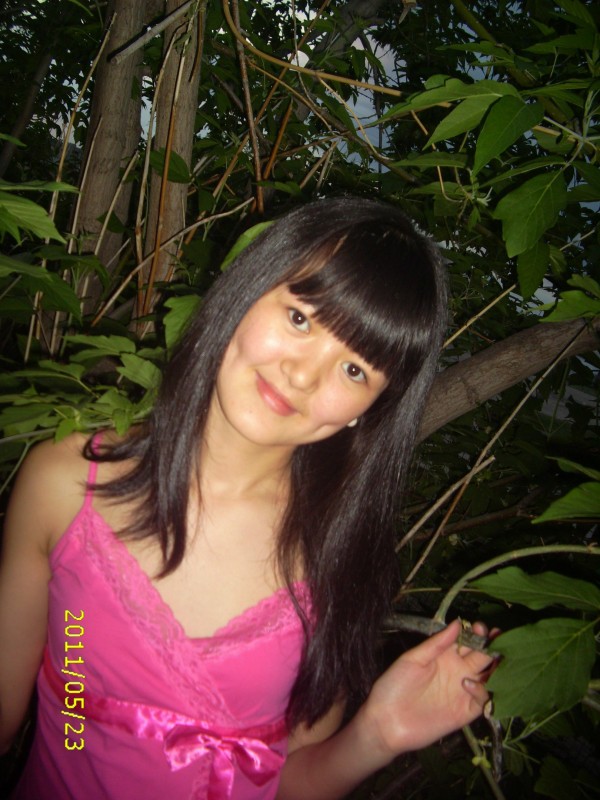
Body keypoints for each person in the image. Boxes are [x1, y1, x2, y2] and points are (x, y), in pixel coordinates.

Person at [0, 196, 492, 799]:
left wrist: (378, 734)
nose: (303, 376)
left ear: (368, 413)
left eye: (355, 370)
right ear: (246, 291)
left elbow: (288, 783)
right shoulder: (66, 482)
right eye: (300, 318)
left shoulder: (337, 561)